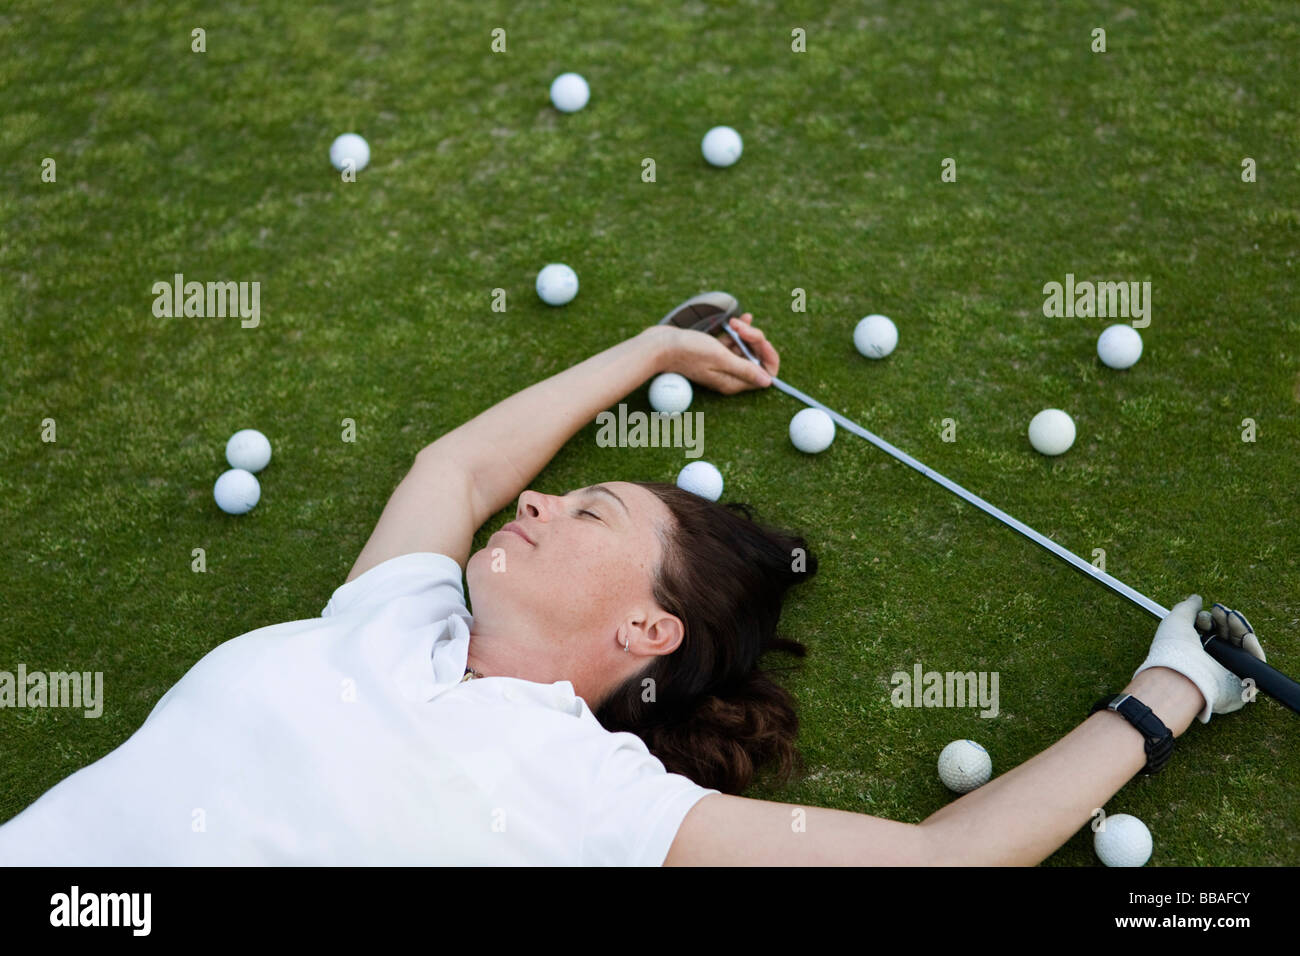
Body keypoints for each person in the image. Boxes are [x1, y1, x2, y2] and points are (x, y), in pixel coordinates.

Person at [0, 315, 1263, 866]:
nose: (533, 502)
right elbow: (462, 461)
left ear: (646, 628)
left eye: (586, 508)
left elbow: (941, 858)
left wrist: (1170, 690)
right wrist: (655, 349)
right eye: (558, 497)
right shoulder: (395, 618)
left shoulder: (597, 799)